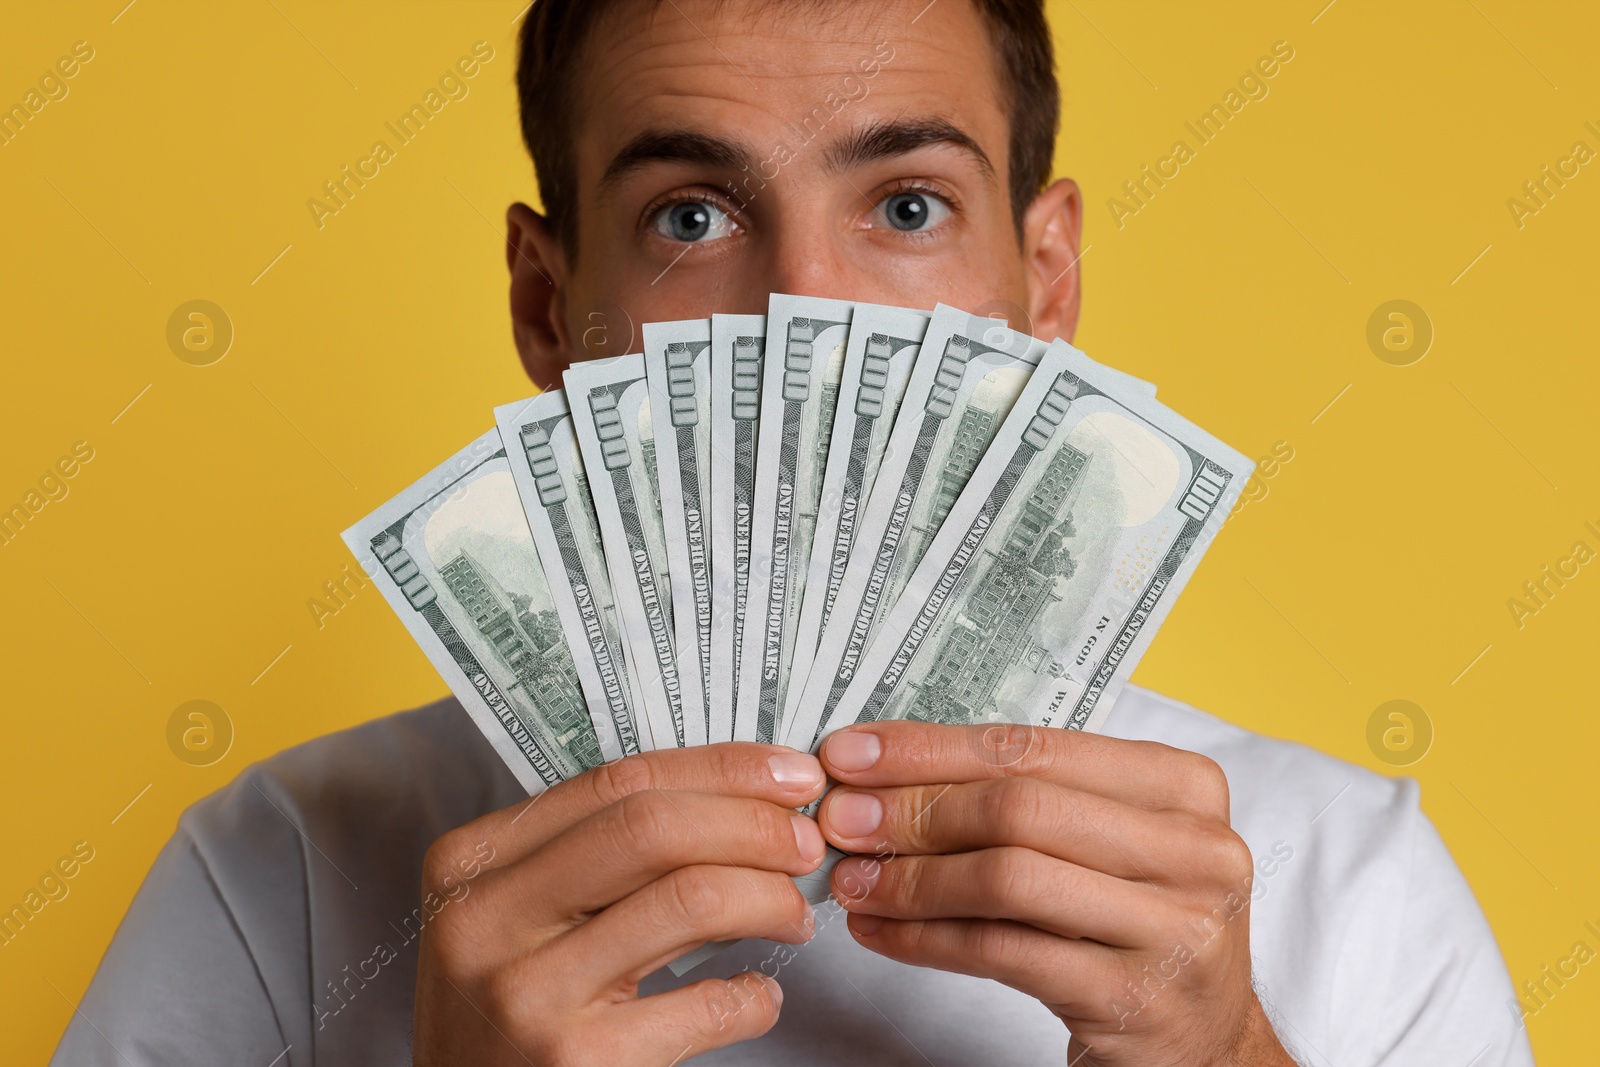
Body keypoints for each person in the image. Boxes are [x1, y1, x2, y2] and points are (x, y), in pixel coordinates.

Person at [53, 2, 1532, 1064]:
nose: (805, 312)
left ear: (1048, 280)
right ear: (543, 306)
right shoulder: (283, 869)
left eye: (905, 203)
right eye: (691, 217)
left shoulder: (1342, 876)